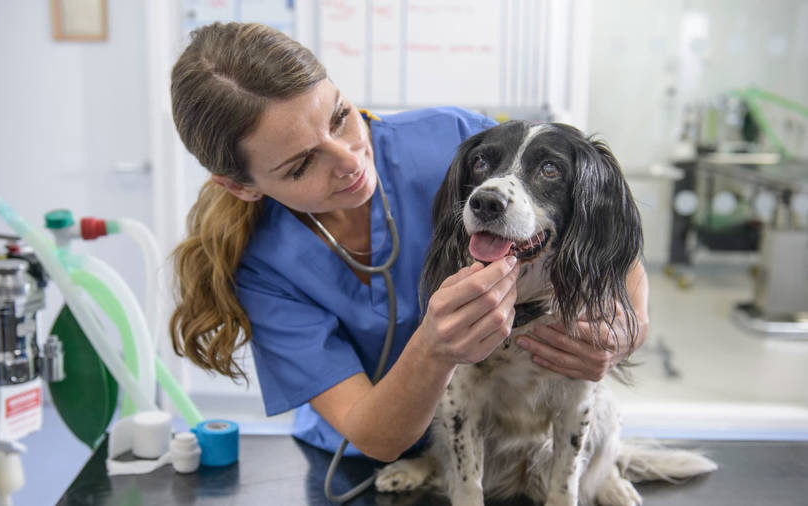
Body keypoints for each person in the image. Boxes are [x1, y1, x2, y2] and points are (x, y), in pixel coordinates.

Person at [168, 22, 650, 462]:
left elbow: (599, 230)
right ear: (241, 186)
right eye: (301, 164)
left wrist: (627, 330)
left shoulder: (456, 140)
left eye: (340, 116)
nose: (350, 160)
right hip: (366, 461)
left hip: (497, 441)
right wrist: (434, 349)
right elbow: (374, 435)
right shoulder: (263, 268)